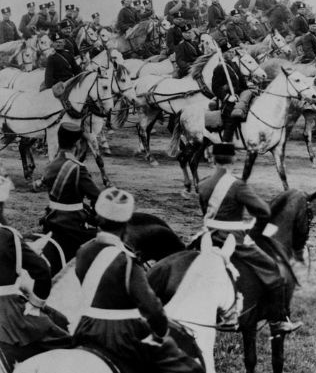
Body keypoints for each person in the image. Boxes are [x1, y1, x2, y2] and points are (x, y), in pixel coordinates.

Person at [74, 187, 203, 373]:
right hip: (122, 336)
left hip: (84, 328)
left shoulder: (82, 252)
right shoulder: (127, 262)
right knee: (190, 369)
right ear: (126, 223)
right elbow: (151, 308)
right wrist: (160, 334)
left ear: (99, 218)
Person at [197, 144, 302, 336]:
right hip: (233, 240)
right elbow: (264, 211)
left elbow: (207, 213)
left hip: (207, 237)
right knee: (274, 270)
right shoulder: (237, 186)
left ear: (212, 159)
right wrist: (253, 227)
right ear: (233, 159)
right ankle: (278, 320)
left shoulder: (202, 184)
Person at [0, 218, 71, 366]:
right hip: (6, 310)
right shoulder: (8, 236)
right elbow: (42, 270)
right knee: (61, 335)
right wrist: (35, 304)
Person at [32, 122, 102, 261]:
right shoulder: (77, 168)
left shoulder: (51, 164)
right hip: (73, 224)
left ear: (59, 140)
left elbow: (41, 184)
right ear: (77, 143)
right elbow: (97, 196)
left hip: (51, 218)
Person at [211, 42, 251, 144]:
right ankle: (225, 143)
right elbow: (215, 87)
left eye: (232, 51)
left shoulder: (233, 64)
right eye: (229, 52)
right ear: (223, 54)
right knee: (232, 117)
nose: (232, 53)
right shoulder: (220, 68)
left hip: (239, 95)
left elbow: (241, 81)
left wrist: (248, 87)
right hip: (228, 100)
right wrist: (227, 97)